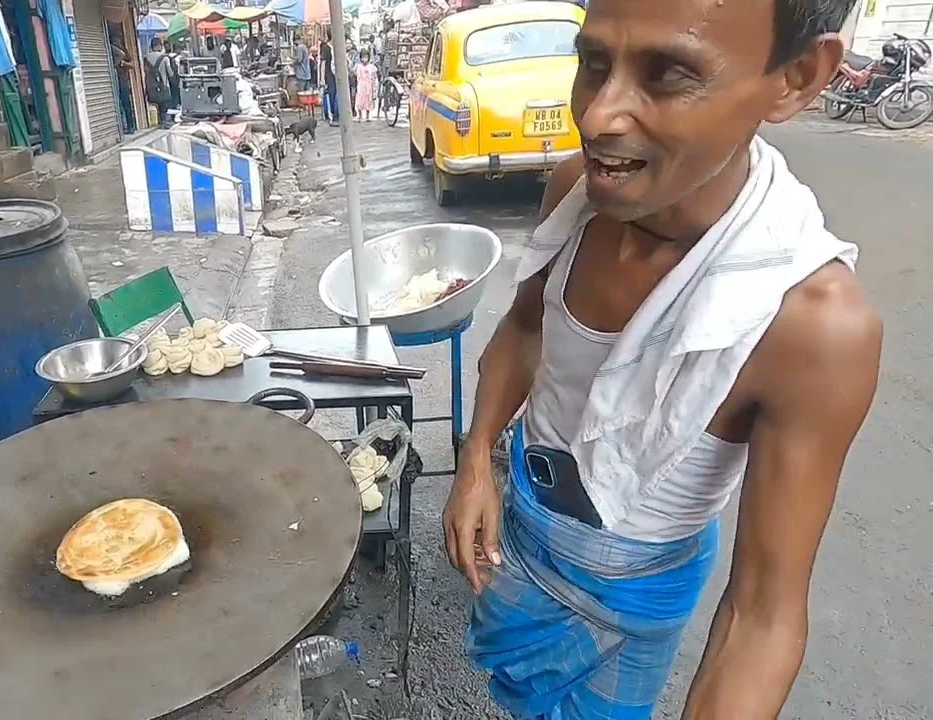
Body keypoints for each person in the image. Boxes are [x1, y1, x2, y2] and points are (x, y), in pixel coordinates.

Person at [445, 0, 881, 718]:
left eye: (668, 73)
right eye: (593, 63)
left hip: (633, 590)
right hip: (526, 523)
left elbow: (761, 619)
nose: (596, 118)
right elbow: (526, 326)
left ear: (797, 77)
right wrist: (477, 459)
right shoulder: (575, 191)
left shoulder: (810, 324)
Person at [143, 37, 173, 128]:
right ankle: (164, 122)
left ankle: (159, 122)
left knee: (156, 105)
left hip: (151, 87)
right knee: (165, 105)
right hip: (164, 86)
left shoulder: (146, 58)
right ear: (160, 46)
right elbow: (170, 73)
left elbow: (145, 71)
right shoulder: (165, 58)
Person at [353, 50, 377, 121]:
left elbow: (374, 76)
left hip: (368, 85)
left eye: (366, 57)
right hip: (360, 85)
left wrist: (374, 86)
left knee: (368, 100)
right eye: (363, 57)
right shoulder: (358, 66)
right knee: (360, 100)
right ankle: (360, 116)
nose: (364, 59)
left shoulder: (371, 67)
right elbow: (355, 73)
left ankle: (367, 116)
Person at [319, 36, 338, 124]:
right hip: (329, 75)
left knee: (336, 95)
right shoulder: (326, 48)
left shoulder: (337, 47)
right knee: (331, 95)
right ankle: (331, 115)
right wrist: (322, 78)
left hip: (336, 75)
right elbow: (323, 64)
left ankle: (336, 114)